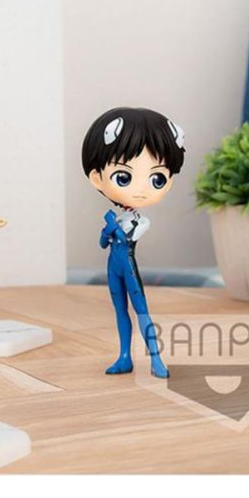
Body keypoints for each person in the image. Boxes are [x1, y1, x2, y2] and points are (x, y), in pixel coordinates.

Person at [81, 107, 185, 378]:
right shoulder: (116, 217)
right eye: (124, 177)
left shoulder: (141, 221)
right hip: (113, 268)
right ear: (97, 177)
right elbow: (103, 243)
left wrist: (114, 229)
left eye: (156, 178)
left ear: (168, 182)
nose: (140, 189)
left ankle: (156, 359)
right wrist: (108, 229)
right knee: (120, 311)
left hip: (128, 266)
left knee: (142, 312)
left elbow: (128, 239)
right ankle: (124, 356)